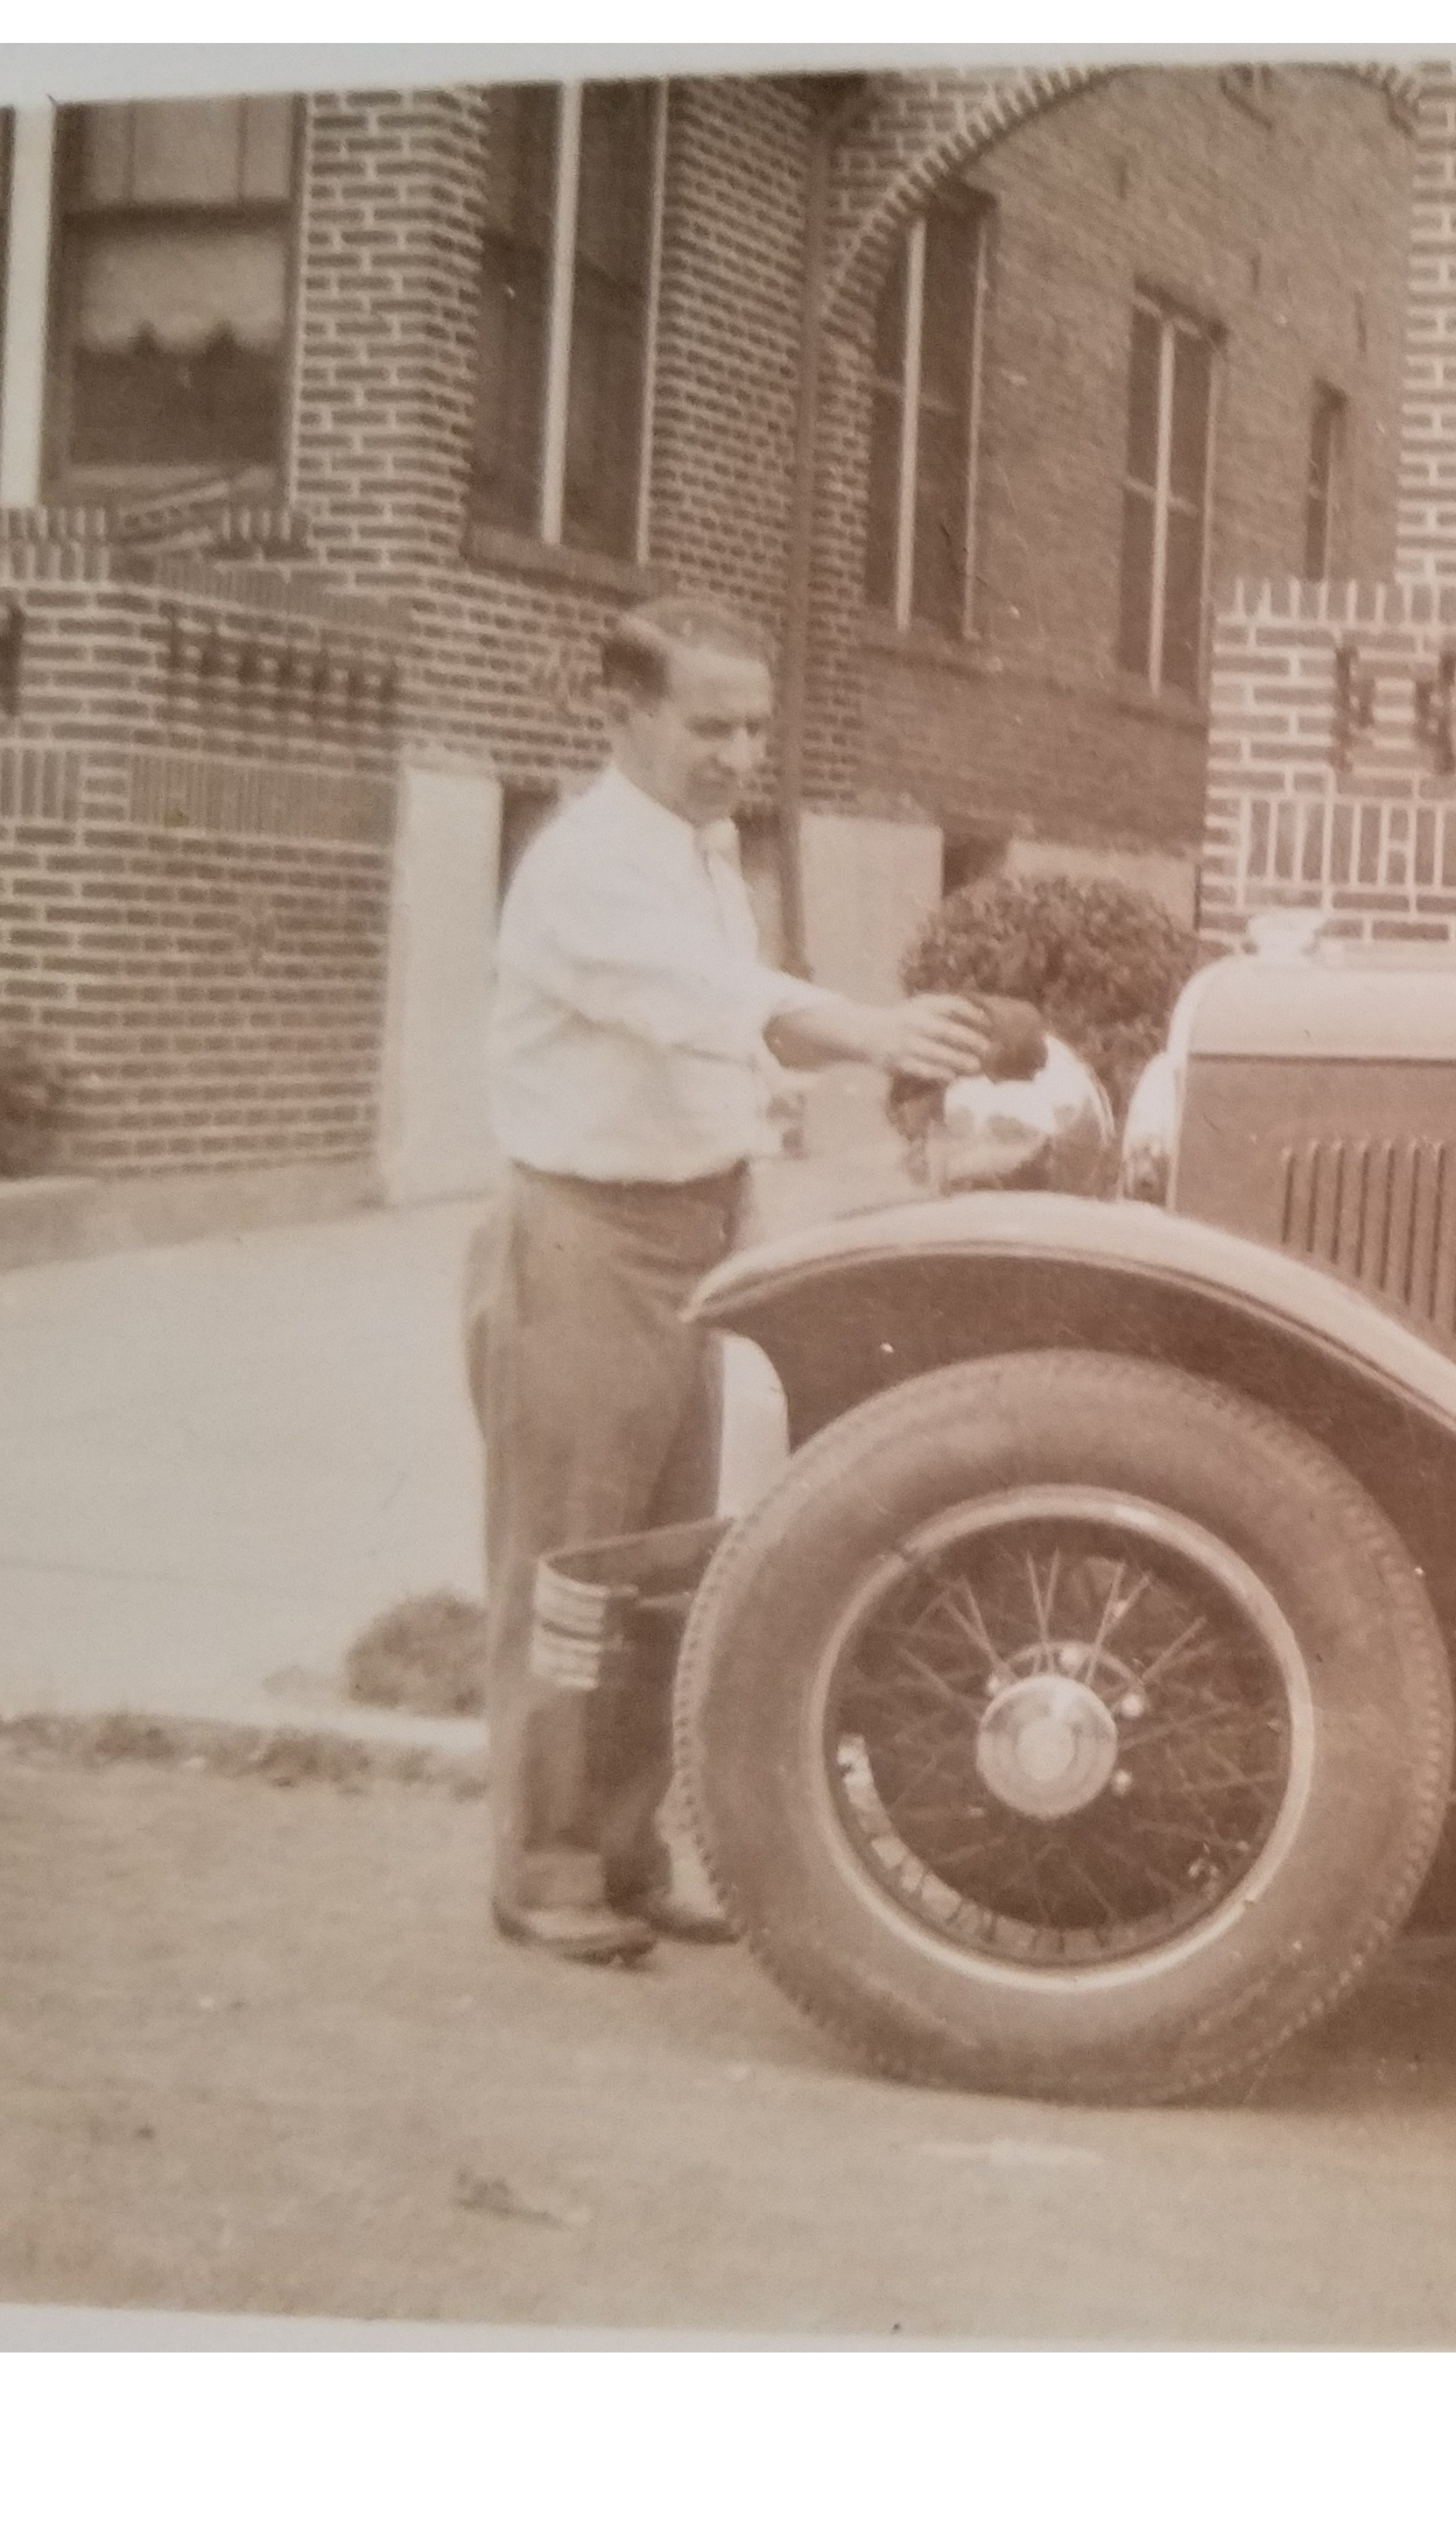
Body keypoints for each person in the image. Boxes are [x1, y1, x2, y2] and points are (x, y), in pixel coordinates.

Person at [468, 594, 988, 1965]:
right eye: (710, 724)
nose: (738, 753)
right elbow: (710, 1001)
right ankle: (545, 1863)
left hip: (697, 1231)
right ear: (623, 711)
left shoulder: (701, 854)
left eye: (755, 725)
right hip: (585, 1235)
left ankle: (629, 1847)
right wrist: (874, 1028)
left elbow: (749, 1032)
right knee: (569, 1563)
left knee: (659, 1560)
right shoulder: (584, 865)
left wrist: (871, 1055)